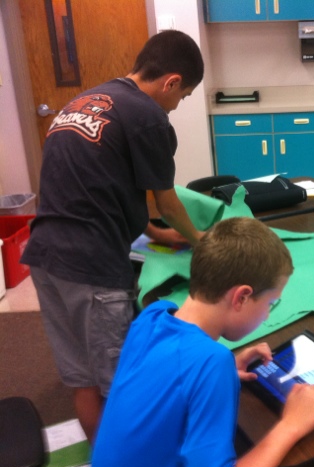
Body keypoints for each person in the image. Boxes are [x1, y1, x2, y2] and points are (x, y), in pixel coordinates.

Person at [21, 30, 207, 443]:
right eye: (183, 97)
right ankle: (129, 464)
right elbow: (167, 203)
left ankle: (104, 464)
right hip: (91, 268)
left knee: (83, 378)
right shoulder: (148, 116)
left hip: (45, 257)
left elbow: (99, 185)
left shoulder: (85, 102)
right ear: (172, 81)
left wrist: (155, 233)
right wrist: (200, 240)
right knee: (121, 386)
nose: (177, 106)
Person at [91, 217, 314, 467]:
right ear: (242, 297)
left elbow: (161, 376)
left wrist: (214, 372)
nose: (267, 316)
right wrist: (291, 425)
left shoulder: (153, 315)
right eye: (270, 303)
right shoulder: (212, 363)